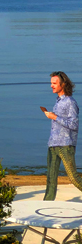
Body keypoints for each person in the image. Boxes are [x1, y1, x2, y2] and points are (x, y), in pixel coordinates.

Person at [44, 71, 82, 200]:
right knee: (51, 179)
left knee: (73, 177)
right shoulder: (58, 101)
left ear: (63, 84)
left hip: (66, 145)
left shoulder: (70, 102)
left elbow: (74, 125)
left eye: (54, 83)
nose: (51, 86)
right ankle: (46, 205)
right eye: (51, 83)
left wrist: (54, 117)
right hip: (53, 144)